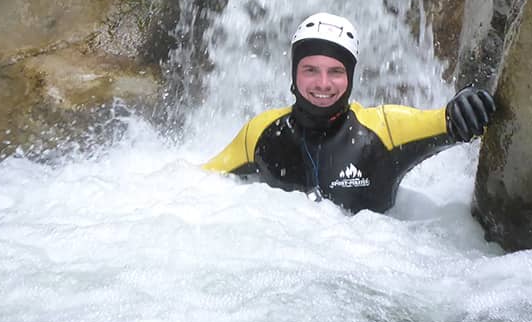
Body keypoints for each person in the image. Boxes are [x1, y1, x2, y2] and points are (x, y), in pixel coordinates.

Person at [202, 12, 495, 213]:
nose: (323, 84)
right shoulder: (261, 132)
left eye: (336, 72)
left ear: (351, 76)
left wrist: (466, 100)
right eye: (310, 70)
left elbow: (447, 119)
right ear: (294, 74)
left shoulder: (386, 129)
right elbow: (191, 186)